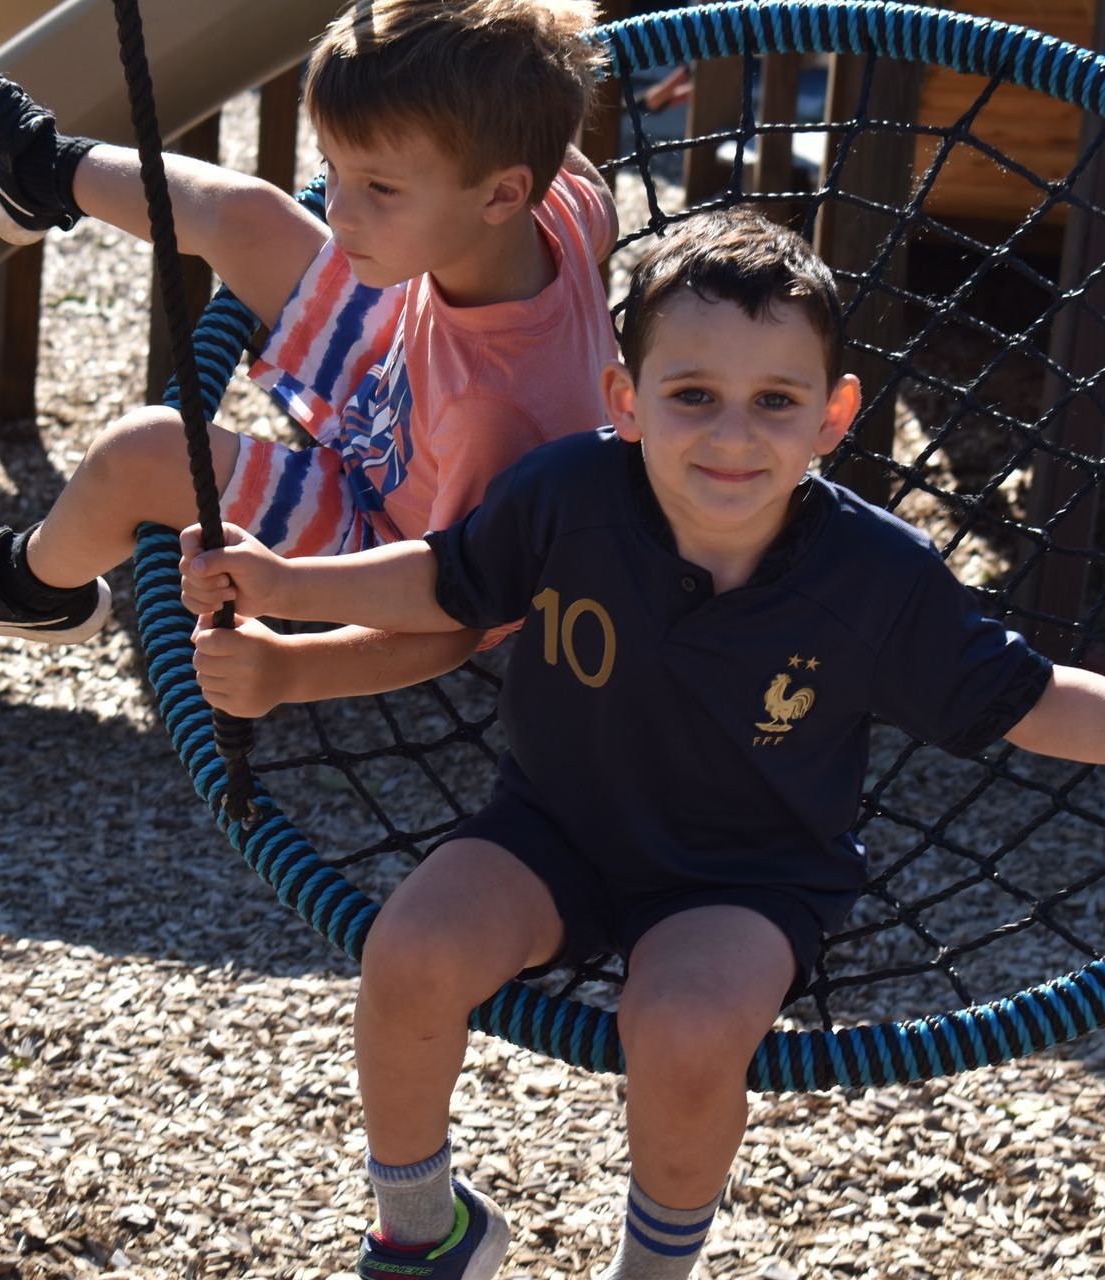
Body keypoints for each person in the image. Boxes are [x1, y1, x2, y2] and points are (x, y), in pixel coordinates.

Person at [176, 209, 1105, 1280]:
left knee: (683, 1028)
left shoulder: (873, 575)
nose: (730, 436)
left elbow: (1025, 696)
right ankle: (422, 1226)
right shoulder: (570, 492)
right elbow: (443, 578)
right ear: (625, 401)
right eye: (691, 395)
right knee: (409, 950)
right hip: (550, 827)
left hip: (748, 875)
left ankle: (652, 1271)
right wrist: (286, 590)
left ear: (831, 417)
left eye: (774, 402)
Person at [0, 0, 619, 708]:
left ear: (500, 195)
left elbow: (458, 614)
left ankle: (32, 586)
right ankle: (39, 168)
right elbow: (565, 163)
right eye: (336, 167)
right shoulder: (555, 203)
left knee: (144, 452)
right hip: (404, 390)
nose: (339, 208)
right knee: (250, 217)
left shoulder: (495, 414)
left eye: (380, 189)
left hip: (392, 531)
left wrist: (289, 671)